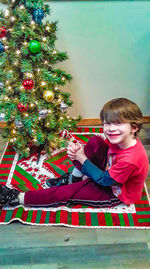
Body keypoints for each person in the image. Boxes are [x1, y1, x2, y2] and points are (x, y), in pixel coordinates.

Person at [0, 98, 149, 208]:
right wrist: (80, 151)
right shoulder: (121, 139)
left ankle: (16, 198)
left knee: (66, 192)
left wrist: (82, 159)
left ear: (134, 127)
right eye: (107, 123)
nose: (110, 129)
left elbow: (104, 180)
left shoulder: (131, 159)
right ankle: (74, 177)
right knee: (96, 142)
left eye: (118, 123)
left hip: (113, 192)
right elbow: (101, 149)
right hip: (109, 172)